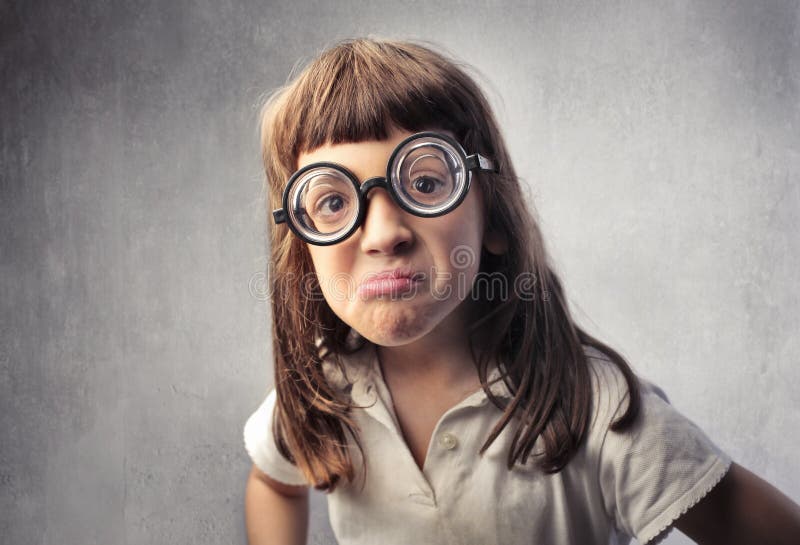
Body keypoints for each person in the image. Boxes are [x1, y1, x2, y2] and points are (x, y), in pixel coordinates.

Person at [243, 38, 800, 545]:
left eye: (427, 183)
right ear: (303, 251)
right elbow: (276, 484)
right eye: (333, 201)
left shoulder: (597, 411)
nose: (386, 234)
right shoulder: (319, 389)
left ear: (498, 221)